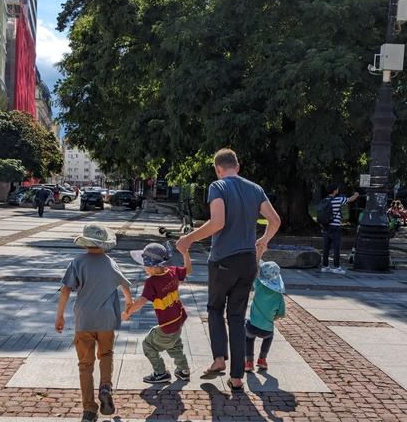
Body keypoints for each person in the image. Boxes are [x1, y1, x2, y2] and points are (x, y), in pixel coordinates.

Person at [176, 148, 281, 392]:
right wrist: (263, 242)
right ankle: (236, 377)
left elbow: (218, 222)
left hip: (223, 259)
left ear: (217, 168)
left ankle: (219, 359)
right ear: (238, 166)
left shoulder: (218, 187)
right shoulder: (255, 189)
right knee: (236, 316)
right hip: (248, 261)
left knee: (215, 308)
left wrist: (188, 240)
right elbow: (274, 220)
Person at [55, 224, 133, 422]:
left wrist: (60, 316)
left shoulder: (77, 262)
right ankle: (105, 386)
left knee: (85, 365)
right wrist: (128, 304)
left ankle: (89, 411)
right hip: (106, 319)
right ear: (104, 243)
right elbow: (124, 285)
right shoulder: (110, 263)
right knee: (106, 355)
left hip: (84, 320)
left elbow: (65, 290)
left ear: (86, 242)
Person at [122, 242, 192, 384]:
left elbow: (141, 302)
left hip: (166, 324)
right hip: (178, 319)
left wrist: (127, 313)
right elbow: (188, 270)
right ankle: (183, 370)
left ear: (151, 266)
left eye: (144, 265)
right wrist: (185, 253)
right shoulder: (172, 271)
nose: (144, 267)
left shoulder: (152, 282)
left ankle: (160, 373)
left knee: (148, 345)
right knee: (174, 344)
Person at [244, 261, 286, 373]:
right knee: (269, 337)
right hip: (267, 329)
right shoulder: (279, 296)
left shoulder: (259, 285)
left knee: (248, 338)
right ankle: (262, 359)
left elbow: (253, 274)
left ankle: (248, 362)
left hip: (252, 326)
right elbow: (281, 313)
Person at [321, 184, 360, 275]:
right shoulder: (338, 200)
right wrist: (357, 194)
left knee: (326, 247)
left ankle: (325, 266)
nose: (338, 190)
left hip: (326, 226)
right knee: (336, 248)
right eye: (337, 189)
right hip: (335, 227)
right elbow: (351, 199)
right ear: (335, 191)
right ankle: (336, 267)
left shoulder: (324, 200)